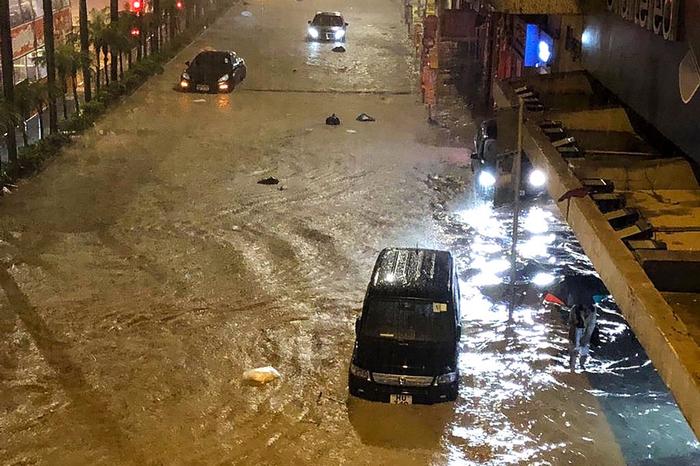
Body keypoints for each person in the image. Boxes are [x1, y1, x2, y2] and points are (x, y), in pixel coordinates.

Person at [568, 303, 597, 371]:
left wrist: (587, 337)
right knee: (574, 351)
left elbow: (592, 324)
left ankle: (581, 365)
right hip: (576, 330)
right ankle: (572, 368)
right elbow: (570, 321)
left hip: (585, 331)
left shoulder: (593, 309)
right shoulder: (575, 308)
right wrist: (574, 321)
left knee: (584, 351)